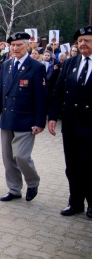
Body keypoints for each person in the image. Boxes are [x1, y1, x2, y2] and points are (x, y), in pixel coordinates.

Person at [0, 32, 47, 202]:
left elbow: (41, 97)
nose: (15, 48)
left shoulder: (36, 67)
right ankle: (14, 189)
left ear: (28, 46)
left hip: (25, 119)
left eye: (19, 45)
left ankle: (32, 181)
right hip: (7, 118)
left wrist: (39, 122)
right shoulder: (6, 64)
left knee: (21, 156)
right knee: (8, 158)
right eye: (12, 45)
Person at [48, 25, 92, 219]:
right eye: (80, 41)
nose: (83, 44)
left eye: (87, 41)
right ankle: (75, 202)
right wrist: (51, 117)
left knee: (89, 164)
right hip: (71, 123)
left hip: (91, 125)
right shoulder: (70, 63)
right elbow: (58, 91)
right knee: (72, 165)